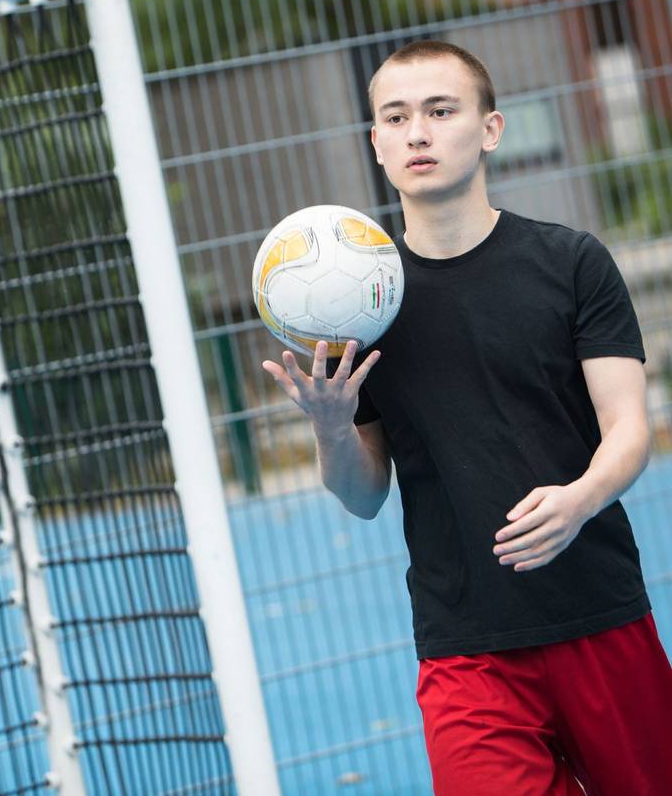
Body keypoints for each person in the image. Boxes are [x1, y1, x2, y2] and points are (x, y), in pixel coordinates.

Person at [261, 40, 672, 795]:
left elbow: (630, 431)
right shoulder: (360, 308)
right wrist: (331, 425)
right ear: (376, 143)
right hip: (465, 648)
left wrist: (579, 499)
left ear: (490, 129)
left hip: (598, 613)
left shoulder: (572, 263)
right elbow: (363, 496)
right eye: (397, 116)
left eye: (440, 110)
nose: (418, 131)